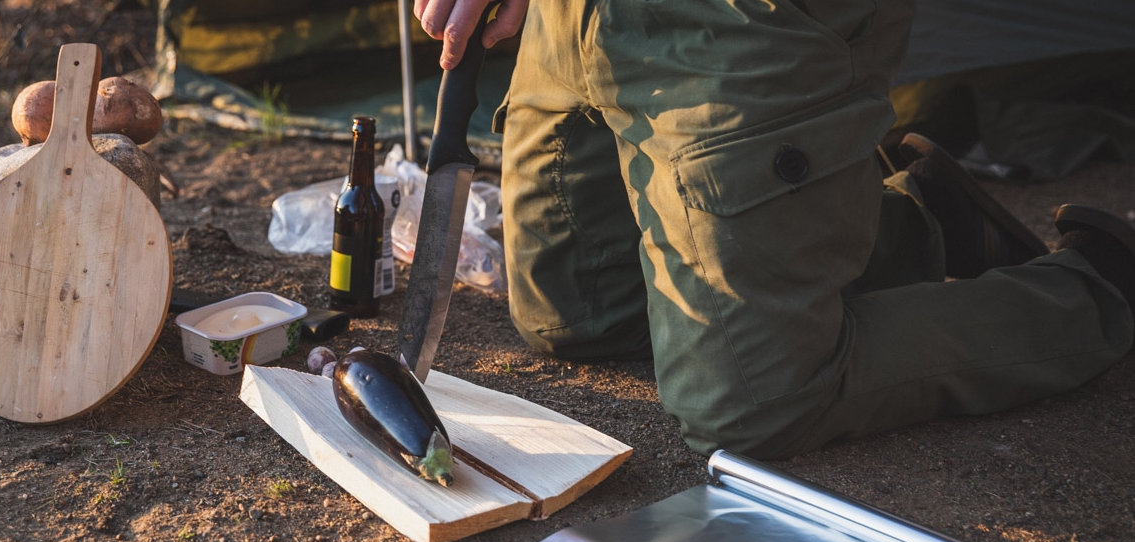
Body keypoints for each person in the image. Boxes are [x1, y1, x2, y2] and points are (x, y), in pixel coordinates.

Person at [413, 0, 1135, 459]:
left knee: (751, 403)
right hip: (572, 17)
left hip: (742, 20)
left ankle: (1091, 287)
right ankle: (921, 227)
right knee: (574, 310)